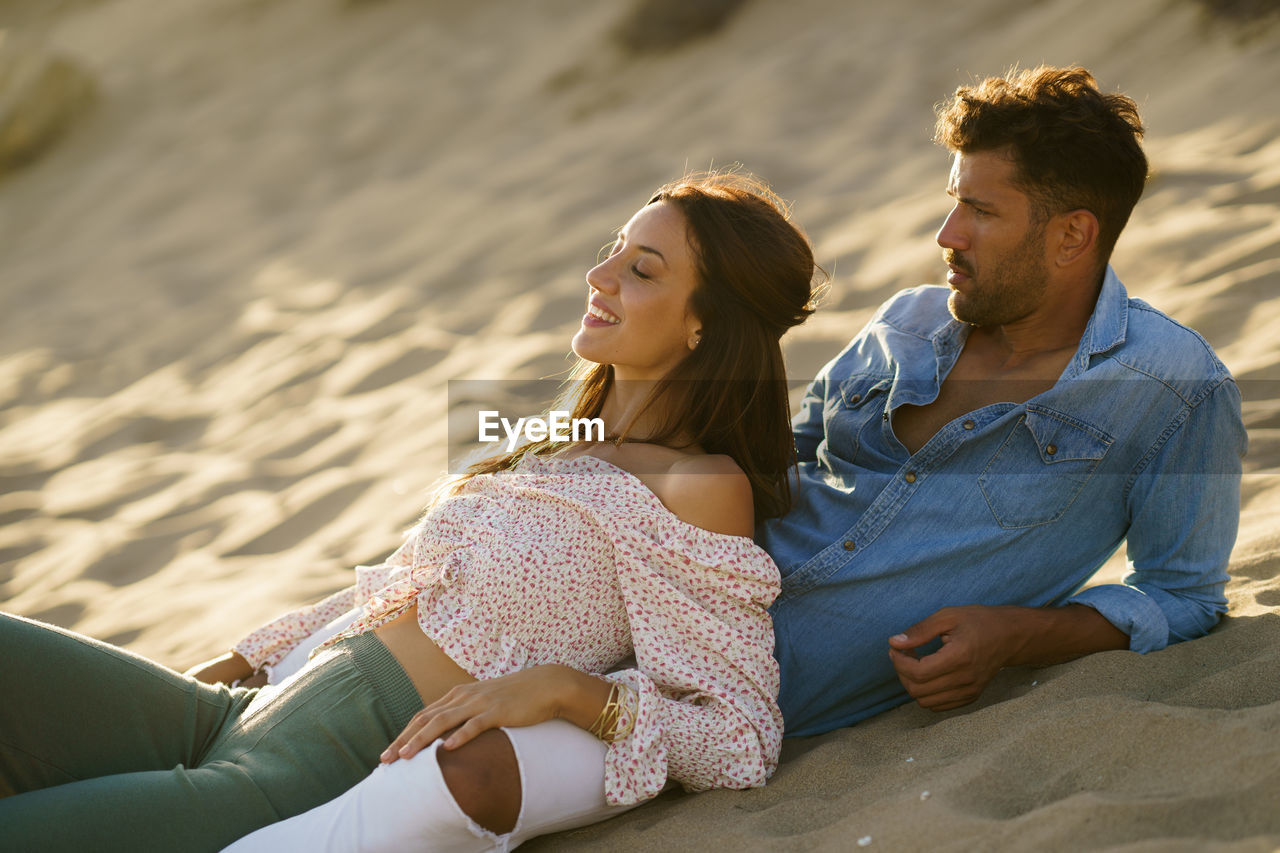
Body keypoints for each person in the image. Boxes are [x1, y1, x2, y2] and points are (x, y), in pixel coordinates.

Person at [245, 64, 1245, 850]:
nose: (945, 234)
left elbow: (1184, 594)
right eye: (952, 201)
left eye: (980, 212)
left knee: (411, 780)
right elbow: (765, 455)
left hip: (725, 700)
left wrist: (1014, 634)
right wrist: (570, 443)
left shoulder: (1172, 390)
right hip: (633, 601)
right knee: (311, 718)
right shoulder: (904, 326)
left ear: (1073, 234)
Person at [0, 171, 824, 852]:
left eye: (642, 270)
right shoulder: (555, 443)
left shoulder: (697, 485)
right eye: (614, 251)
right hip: (243, 706)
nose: (599, 276)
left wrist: (570, 693)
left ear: (702, 327)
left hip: (302, 765)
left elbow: (740, 736)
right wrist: (245, 658)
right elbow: (403, 587)